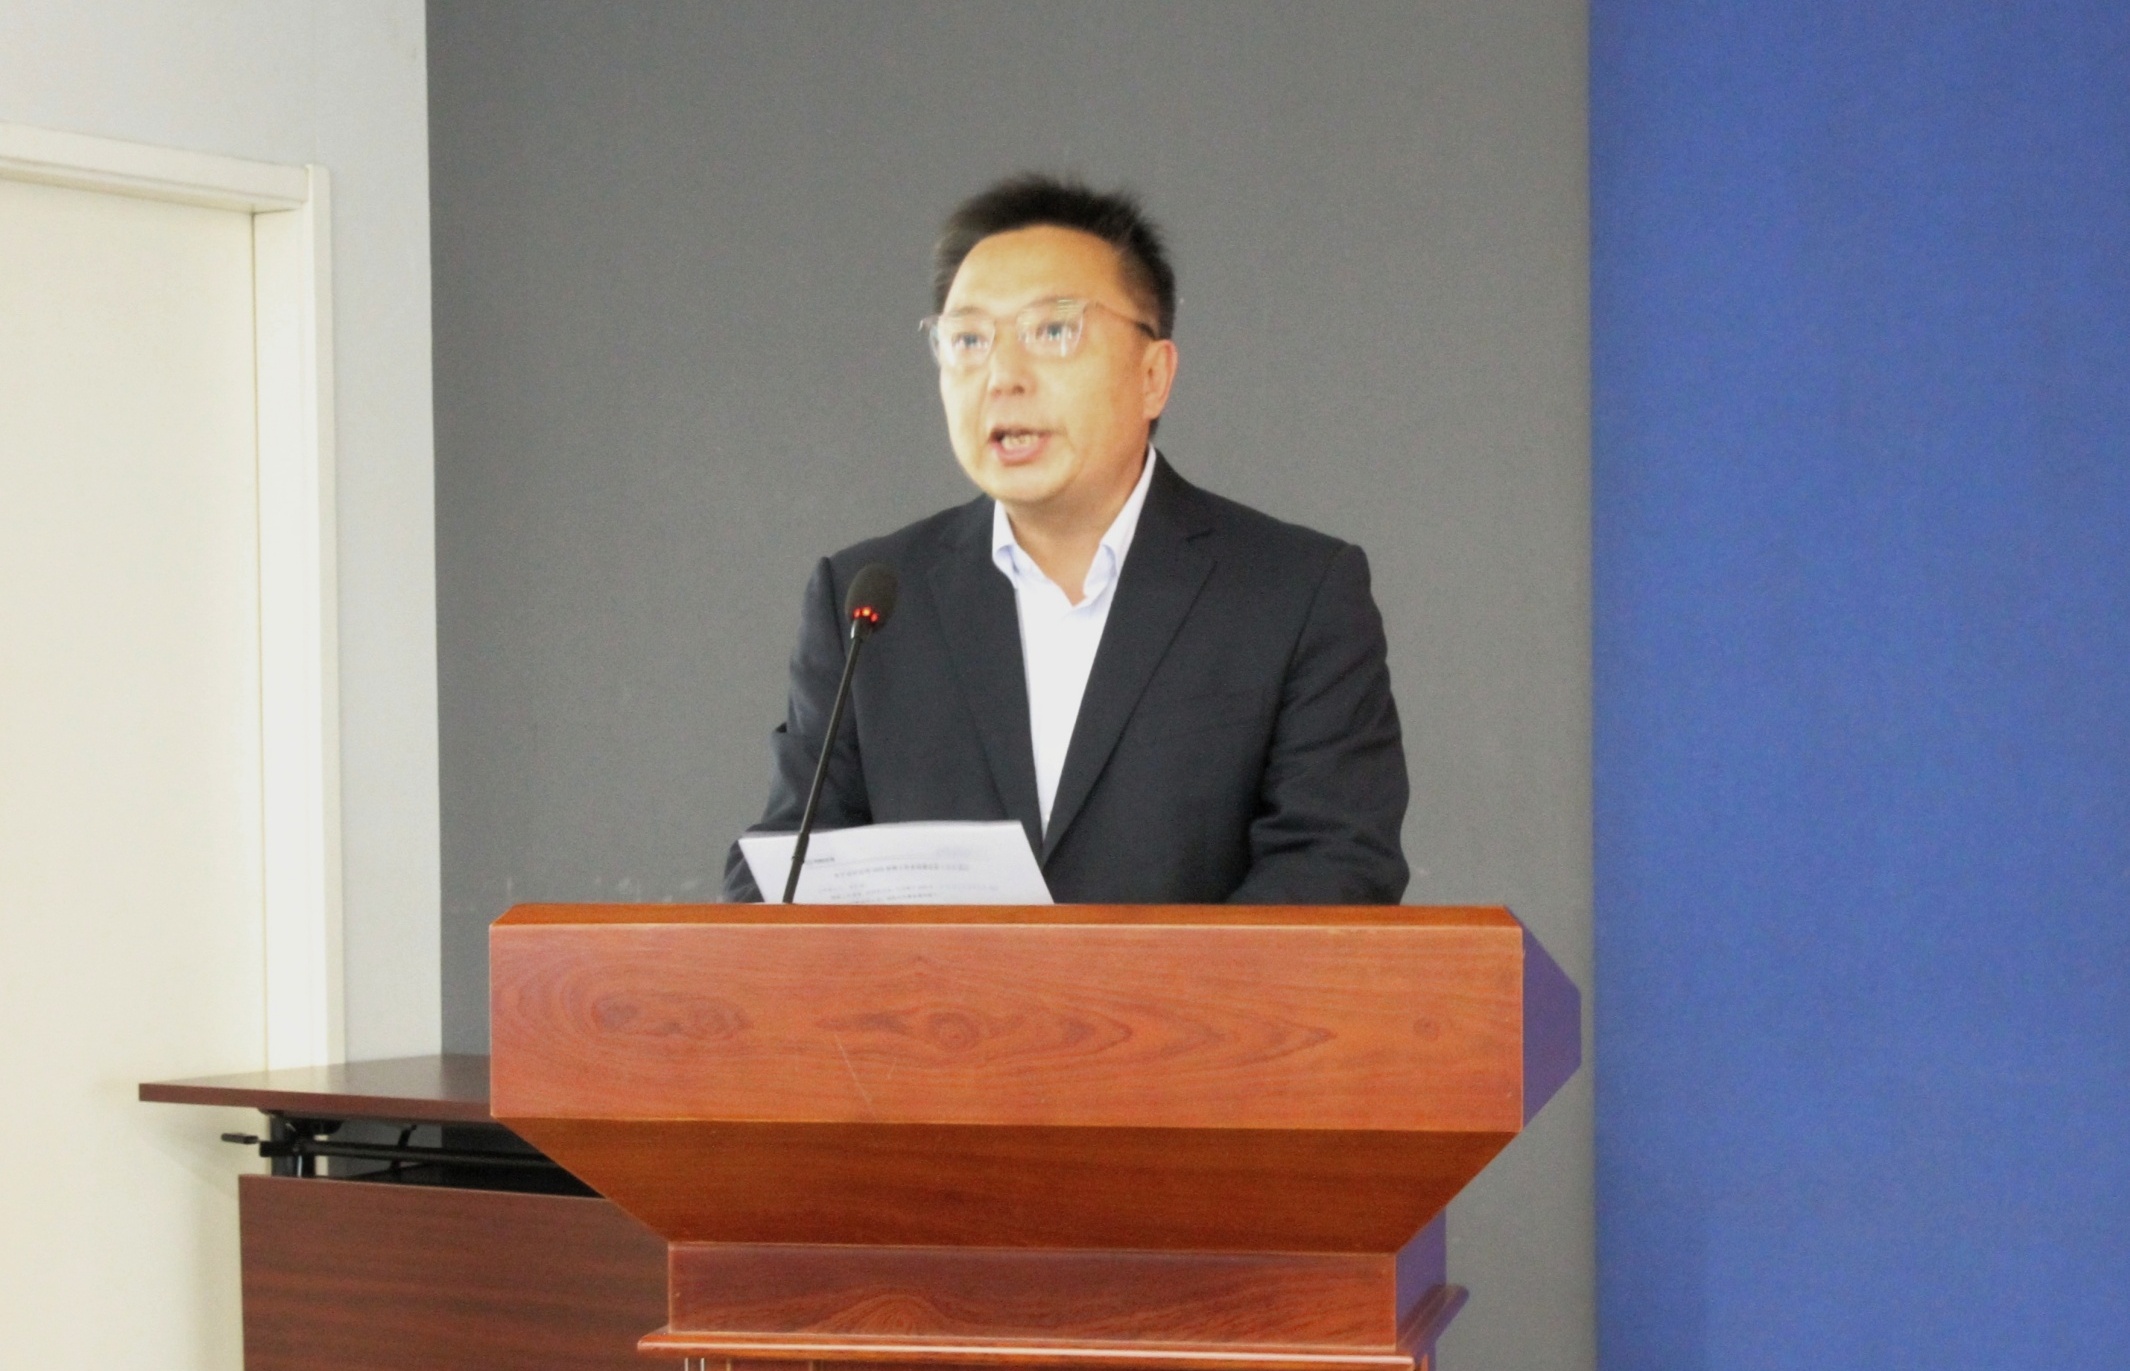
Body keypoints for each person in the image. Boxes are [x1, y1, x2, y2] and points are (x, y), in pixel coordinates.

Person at [723, 174, 1407, 903]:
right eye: (968, 340)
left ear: (1153, 375)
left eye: (1052, 332)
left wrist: (1114, 981)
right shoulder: (870, 603)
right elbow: (782, 874)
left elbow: (1333, 871)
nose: (1002, 377)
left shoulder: (1294, 595)